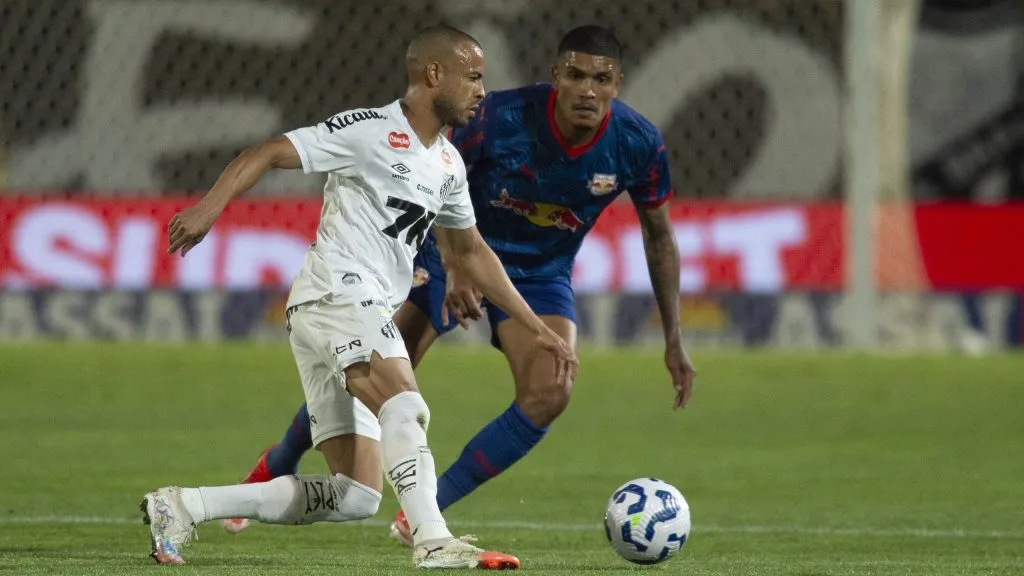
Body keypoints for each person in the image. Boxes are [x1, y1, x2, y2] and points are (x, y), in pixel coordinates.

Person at [223, 24, 697, 546]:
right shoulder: (499, 119)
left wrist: (674, 336)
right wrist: (450, 267)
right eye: (577, 75)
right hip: (450, 247)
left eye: (602, 79)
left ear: (618, 84)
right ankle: (278, 462)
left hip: (541, 273)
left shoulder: (638, 143)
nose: (588, 90)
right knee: (369, 368)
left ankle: (422, 515)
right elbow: (438, 183)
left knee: (551, 387)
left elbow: (659, 237)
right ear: (555, 76)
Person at [141, 24, 579, 570]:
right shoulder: (369, 129)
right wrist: (209, 207)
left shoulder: (446, 165)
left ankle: (182, 505)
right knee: (406, 405)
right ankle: (434, 540)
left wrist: (537, 328)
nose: (481, 91)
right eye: (472, 77)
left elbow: (471, 254)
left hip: (343, 311)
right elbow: (270, 151)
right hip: (339, 295)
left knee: (356, 494)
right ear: (433, 74)